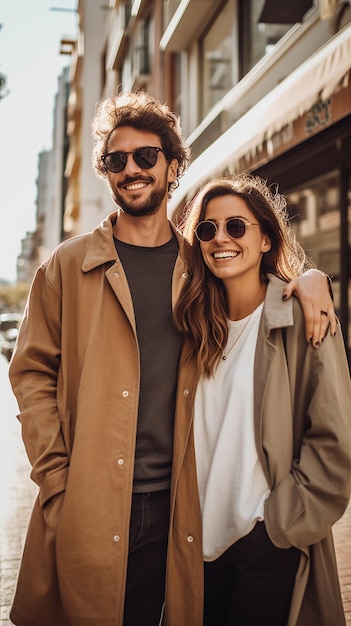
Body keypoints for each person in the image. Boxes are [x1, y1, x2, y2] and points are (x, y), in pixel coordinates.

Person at [9, 92, 336, 626]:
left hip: (188, 506)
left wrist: (310, 280)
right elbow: (30, 375)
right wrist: (58, 480)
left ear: (173, 165)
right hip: (93, 501)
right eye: (117, 160)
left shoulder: (202, 263)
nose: (132, 169)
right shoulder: (68, 267)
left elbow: (254, 275)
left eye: (146, 156)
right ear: (105, 172)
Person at [167, 174, 351, 626]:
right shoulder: (190, 330)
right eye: (207, 230)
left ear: (266, 237)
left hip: (264, 543)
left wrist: (277, 527)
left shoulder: (301, 318)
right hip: (194, 552)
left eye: (236, 226)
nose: (220, 239)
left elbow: (335, 441)